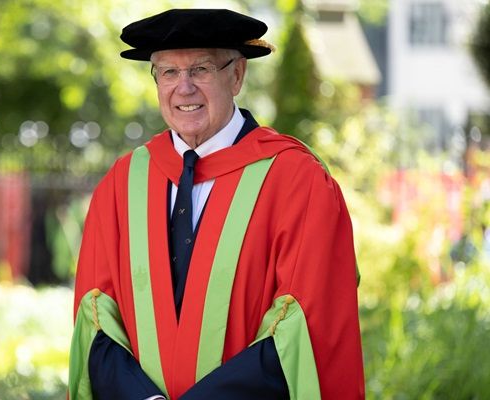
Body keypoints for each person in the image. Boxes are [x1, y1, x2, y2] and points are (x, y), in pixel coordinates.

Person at [69, 8, 364, 400]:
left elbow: (306, 323)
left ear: (237, 75)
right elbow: (96, 318)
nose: (184, 87)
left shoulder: (296, 180)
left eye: (201, 69)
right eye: (169, 72)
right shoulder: (123, 184)